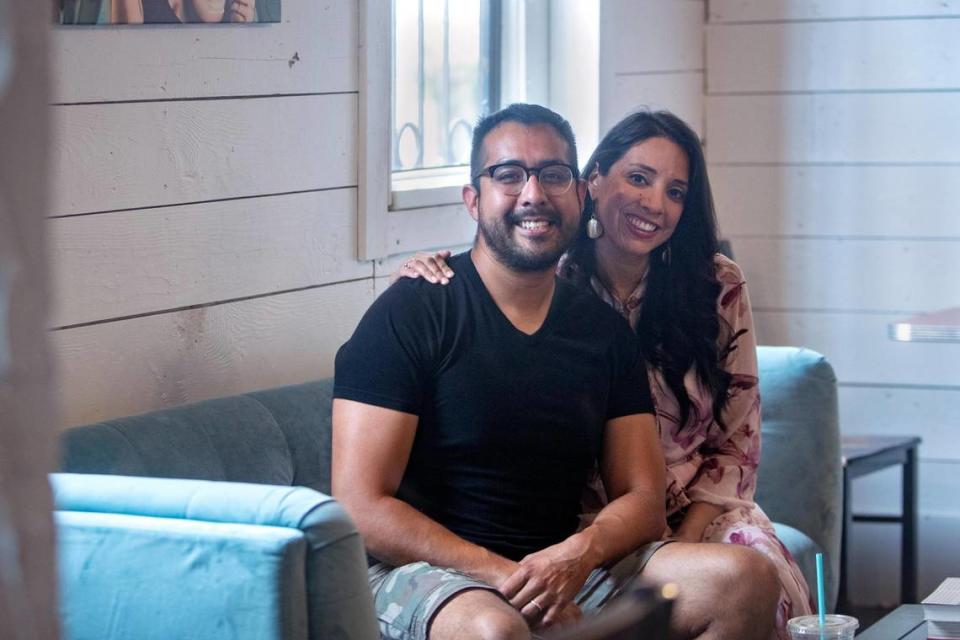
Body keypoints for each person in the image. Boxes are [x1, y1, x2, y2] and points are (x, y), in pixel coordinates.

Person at [335, 103, 779, 640]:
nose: (533, 194)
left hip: (557, 565)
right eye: (509, 175)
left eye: (552, 175)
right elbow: (360, 504)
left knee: (742, 578)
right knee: (496, 630)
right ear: (473, 200)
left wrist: (573, 558)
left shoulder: (602, 331)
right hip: (425, 572)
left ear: (578, 193)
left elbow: (640, 496)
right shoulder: (414, 310)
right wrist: (510, 577)